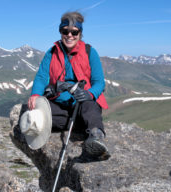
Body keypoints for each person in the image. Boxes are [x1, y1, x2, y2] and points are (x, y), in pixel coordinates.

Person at [27, 11, 110, 159]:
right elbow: (41, 77)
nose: (69, 35)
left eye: (74, 32)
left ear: (80, 33)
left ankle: (96, 136)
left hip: (83, 103)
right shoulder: (52, 53)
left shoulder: (90, 52)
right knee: (36, 111)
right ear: (61, 32)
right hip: (59, 105)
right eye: (65, 31)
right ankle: (82, 125)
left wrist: (89, 94)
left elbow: (99, 82)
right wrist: (35, 95)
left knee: (89, 106)